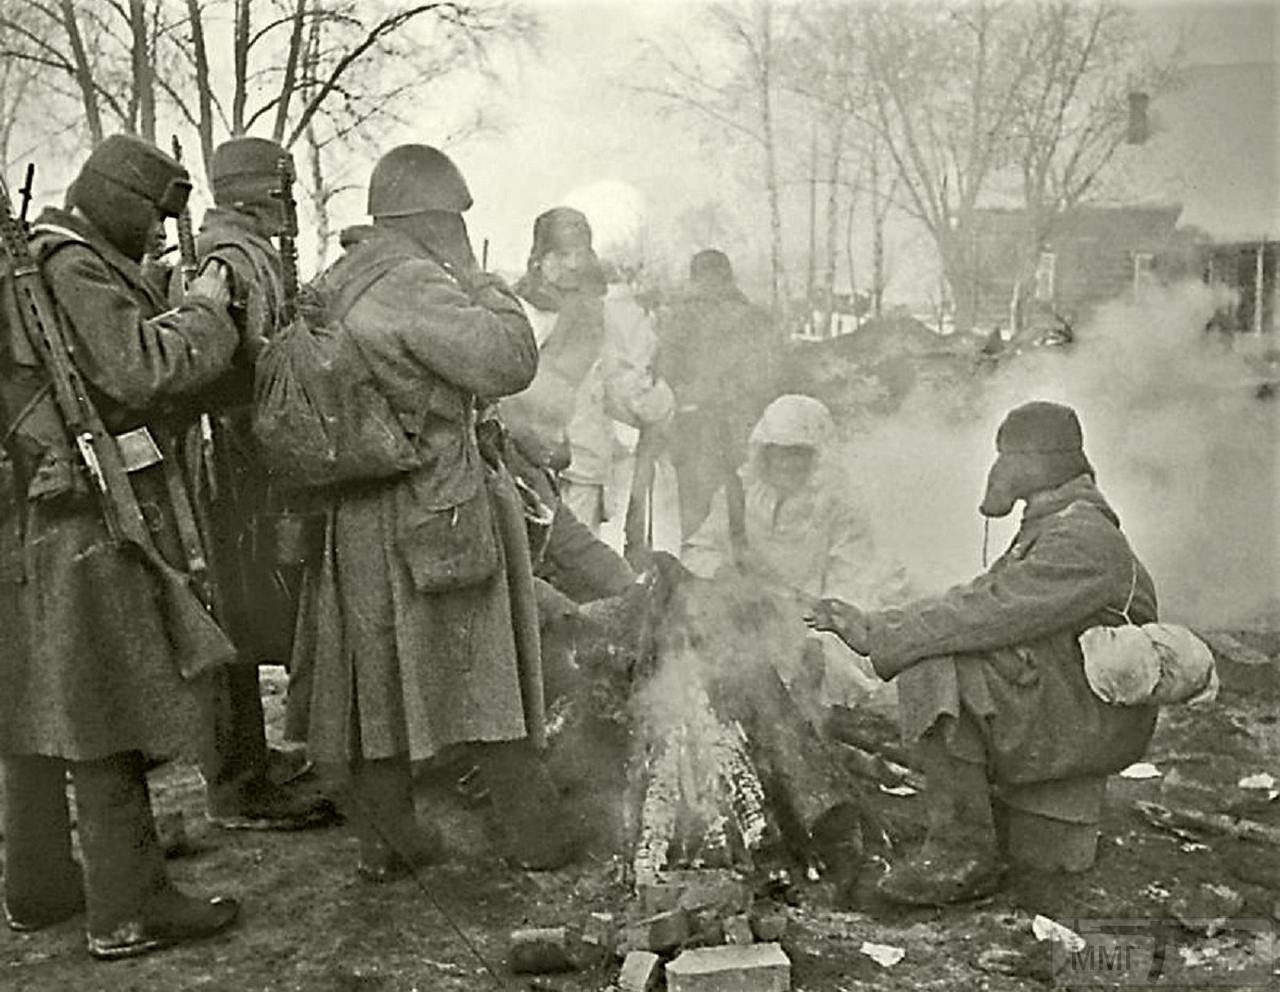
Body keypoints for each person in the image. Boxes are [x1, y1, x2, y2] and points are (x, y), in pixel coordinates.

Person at [284, 144, 575, 878]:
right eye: (454, 221)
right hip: (432, 508)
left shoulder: (341, 278)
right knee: (483, 669)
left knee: (376, 678)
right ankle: (536, 837)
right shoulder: (412, 282)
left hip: (359, 514)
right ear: (435, 218)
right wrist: (481, 276)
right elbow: (509, 360)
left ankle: (388, 843)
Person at [0, 134, 242, 958]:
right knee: (107, 703)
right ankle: (129, 909)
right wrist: (207, 309)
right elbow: (142, 370)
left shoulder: (37, 261)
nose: (157, 232)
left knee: (39, 706)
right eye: (152, 214)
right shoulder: (70, 264)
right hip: (83, 515)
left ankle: (39, 888)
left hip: (31, 518)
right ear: (119, 201)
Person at [806, 401, 1158, 905]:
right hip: (1068, 701)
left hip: (1093, 719)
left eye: (1006, 456)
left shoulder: (1081, 538)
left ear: (1038, 462)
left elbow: (990, 611)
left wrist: (877, 631)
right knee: (939, 658)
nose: (997, 469)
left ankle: (962, 852)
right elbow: (987, 600)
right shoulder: (1057, 523)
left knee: (934, 668)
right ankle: (972, 824)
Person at [188, 135, 334, 831]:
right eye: (283, 191)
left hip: (243, 455)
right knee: (233, 616)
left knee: (242, 614)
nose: (291, 206)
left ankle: (249, 760)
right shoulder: (234, 258)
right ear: (260, 193)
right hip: (236, 460)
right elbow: (244, 361)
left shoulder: (238, 252)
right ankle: (238, 787)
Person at [683, 394, 908, 720]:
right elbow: (697, 552)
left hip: (816, 628)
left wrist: (800, 625)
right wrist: (722, 574)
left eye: (797, 454)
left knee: (825, 667)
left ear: (818, 455)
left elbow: (850, 592)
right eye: (778, 452)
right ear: (764, 452)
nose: (786, 464)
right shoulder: (740, 493)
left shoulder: (842, 506)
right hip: (752, 618)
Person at [504, 206, 673, 536]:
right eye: (560, 253)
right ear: (540, 256)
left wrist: (658, 402)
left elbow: (616, 387)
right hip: (523, 465)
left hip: (581, 470)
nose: (571, 263)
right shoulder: (518, 309)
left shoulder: (596, 314)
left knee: (577, 572)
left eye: (579, 252)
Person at [656, 249, 775, 540]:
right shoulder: (754, 317)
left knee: (699, 517)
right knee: (747, 508)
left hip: (696, 429)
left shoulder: (681, 317)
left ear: (695, 277)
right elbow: (769, 377)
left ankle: (702, 581)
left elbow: (664, 371)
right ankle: (744, 577)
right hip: (745, 430)